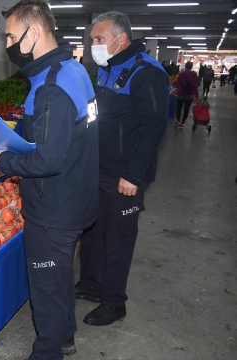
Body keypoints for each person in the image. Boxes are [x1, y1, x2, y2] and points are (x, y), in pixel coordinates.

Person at [0, 1, 99, 358]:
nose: (7, 44)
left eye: (10, 36)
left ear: (33, 33)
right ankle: (65, 334)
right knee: (60, 277)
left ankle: (49, 350)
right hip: (75, 195)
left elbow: (49, 159)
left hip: (54, 208)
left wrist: (5, 159)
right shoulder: (73, 69)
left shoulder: (52, 85)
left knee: (47, 287)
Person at [77, 11, 169, 328]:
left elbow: (154, 127)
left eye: (99, 39)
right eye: (92, 40)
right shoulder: (107, 68)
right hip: (98, 168)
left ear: (121, 39)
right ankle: (90, 284)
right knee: (92, 231)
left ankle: (114, 302)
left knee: (118, 238)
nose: (94, 45)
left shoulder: (147, 72)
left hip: (125, 174)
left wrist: (133, 174)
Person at [174, 61, 199, 129]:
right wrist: (197, 96)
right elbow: (195, 86)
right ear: (191, 67)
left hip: (181, 94)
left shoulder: (181, 74)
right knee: (186, 109)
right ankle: (182, 123)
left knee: (179, 108)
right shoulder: (194, 75)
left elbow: (177, 85)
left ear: (185, 66)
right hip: (190, 95)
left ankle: (178, 121)